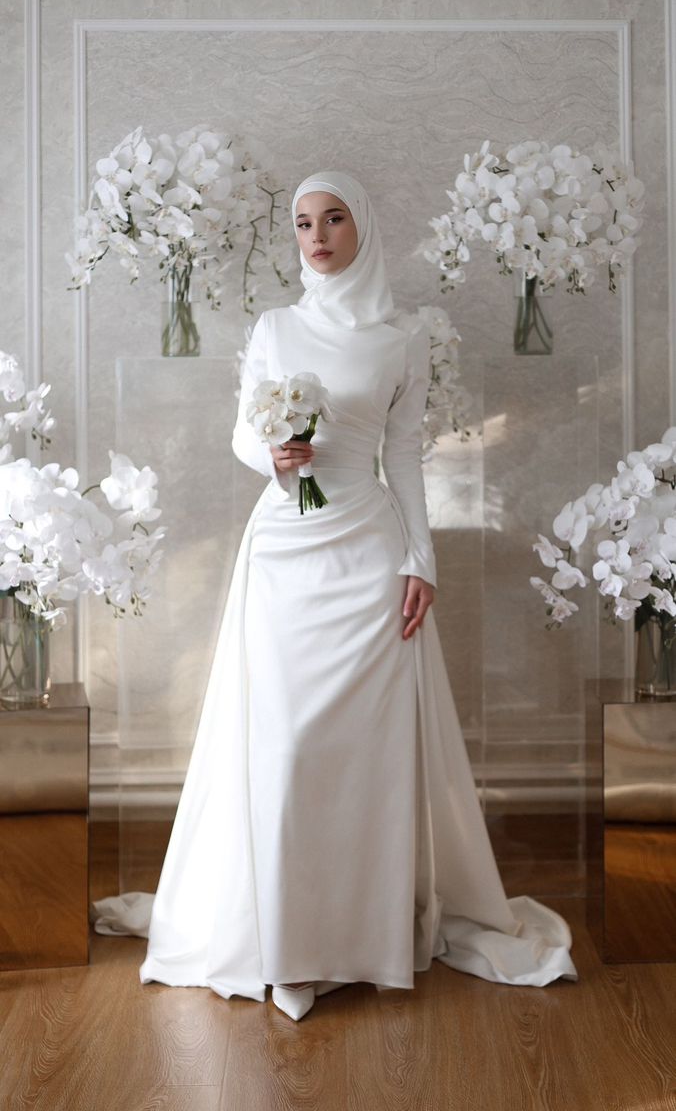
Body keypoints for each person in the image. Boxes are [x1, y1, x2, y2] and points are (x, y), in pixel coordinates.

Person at [90, 170, 578, 1022]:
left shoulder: (400, 339)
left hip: (368, 556)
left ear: (363, 230)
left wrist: (420, 560)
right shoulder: (276, 326)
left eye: (334, 219)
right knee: (285, 748)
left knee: (361, 761)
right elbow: (245, 427)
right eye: (303, 223)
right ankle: (285, 945)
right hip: (284, 553)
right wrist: (271, 456)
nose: (316, 236)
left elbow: (408, 457)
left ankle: (356, 941)